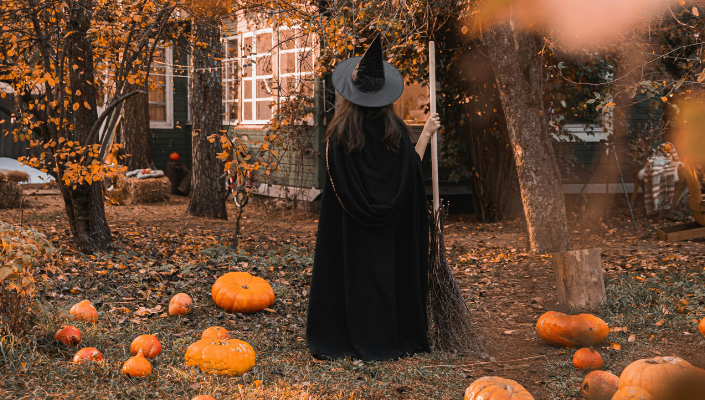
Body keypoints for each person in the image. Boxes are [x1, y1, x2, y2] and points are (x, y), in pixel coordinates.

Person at [305, 35, 441, 361]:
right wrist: (424, 134)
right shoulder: (395, 131)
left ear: (352, 96)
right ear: (384, 96)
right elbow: (409, 173)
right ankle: (392, 333)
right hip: (392, 233)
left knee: (357, 275)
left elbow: (339, 189)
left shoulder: (339, 136)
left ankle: (348, 332)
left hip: (351, 233)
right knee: (386, 274)